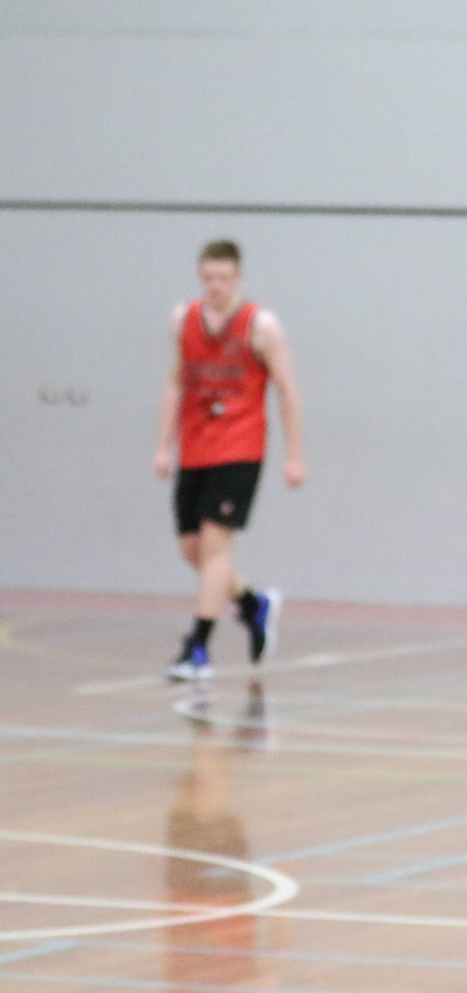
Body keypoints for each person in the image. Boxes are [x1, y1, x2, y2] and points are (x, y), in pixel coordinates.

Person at [154, 240, 303, 681]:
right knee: (192, 549)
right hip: (195, 446)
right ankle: (253, 605)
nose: (215, 286)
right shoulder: (183, 320)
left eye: (223, 278)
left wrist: (295, 455)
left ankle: (197, 648)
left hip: (240, 447)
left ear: (238, 278)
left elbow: (287, 389)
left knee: (216, 545)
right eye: (208, 278)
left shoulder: (261, 326)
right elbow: (175, 383)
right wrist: (164, 446)